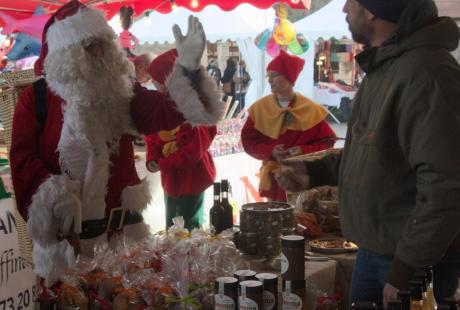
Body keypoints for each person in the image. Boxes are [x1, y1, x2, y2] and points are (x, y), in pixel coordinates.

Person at [10, 0, 224, 283]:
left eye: (103, 44)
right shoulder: (36, 99)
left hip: (122, 244)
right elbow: (21, 160)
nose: (99, 52)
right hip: (66, 246)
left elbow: (163, 112)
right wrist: (54, 197)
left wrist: (186, 68)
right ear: (67, 54)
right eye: (89, 46)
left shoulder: (121, 91)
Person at [274, 0, 460, 306]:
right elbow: (374, 153)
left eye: (352, 2)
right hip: (375, 253)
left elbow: (446, 186)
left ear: (373, 10)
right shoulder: (387, 67)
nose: (345, 9)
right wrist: (313, 171)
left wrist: (406, 268)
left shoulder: (426, 74)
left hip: (410, 263)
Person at [241, 50, 336, 202]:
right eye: (268, 76)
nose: (270, 80)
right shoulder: (260, 108)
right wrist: (270, 152)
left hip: (302, 180)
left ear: (289, 78)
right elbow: (248, 141)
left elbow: (327, 142)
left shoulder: (310, 109)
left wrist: (303, 151)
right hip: (274, 179)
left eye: (275, 75)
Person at [144, 49, 217, 231]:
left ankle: (188, 258)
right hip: (170, 178)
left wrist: (164, 163)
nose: (153, 83)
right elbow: (152, 136)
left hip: (192, 178)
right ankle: (174, 257)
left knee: (190, 226)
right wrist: (152, 159)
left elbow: (193, 152)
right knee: (172, 224)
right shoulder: (162, 105)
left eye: (156, 79)